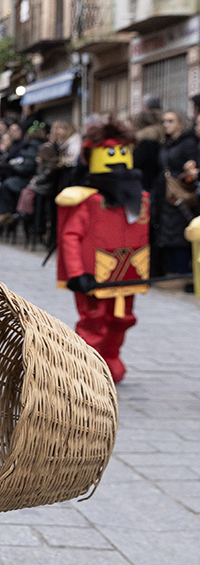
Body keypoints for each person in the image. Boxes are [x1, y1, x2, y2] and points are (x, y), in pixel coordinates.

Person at [56, 118, 149, 382]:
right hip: (93, 275)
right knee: (93, 320)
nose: (117, 158)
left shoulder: (138, 199)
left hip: (127, 275)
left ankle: (110, 358)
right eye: (109, 152)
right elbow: (71, 237)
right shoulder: (88, 201)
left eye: (122, 151)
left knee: (122, 319)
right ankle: (86, 368)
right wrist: (76, 273)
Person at [151, 110, 199, 280]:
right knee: (167, 234)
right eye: (164, 121)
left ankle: (182, 275)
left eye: (170, 121)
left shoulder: (187, 143)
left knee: (180, 233)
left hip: (180, 192)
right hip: (165, 193)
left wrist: (187, 174)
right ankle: (172, 275)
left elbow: (192, 168)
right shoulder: (166, 143)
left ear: (180, 123)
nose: (166, 124)